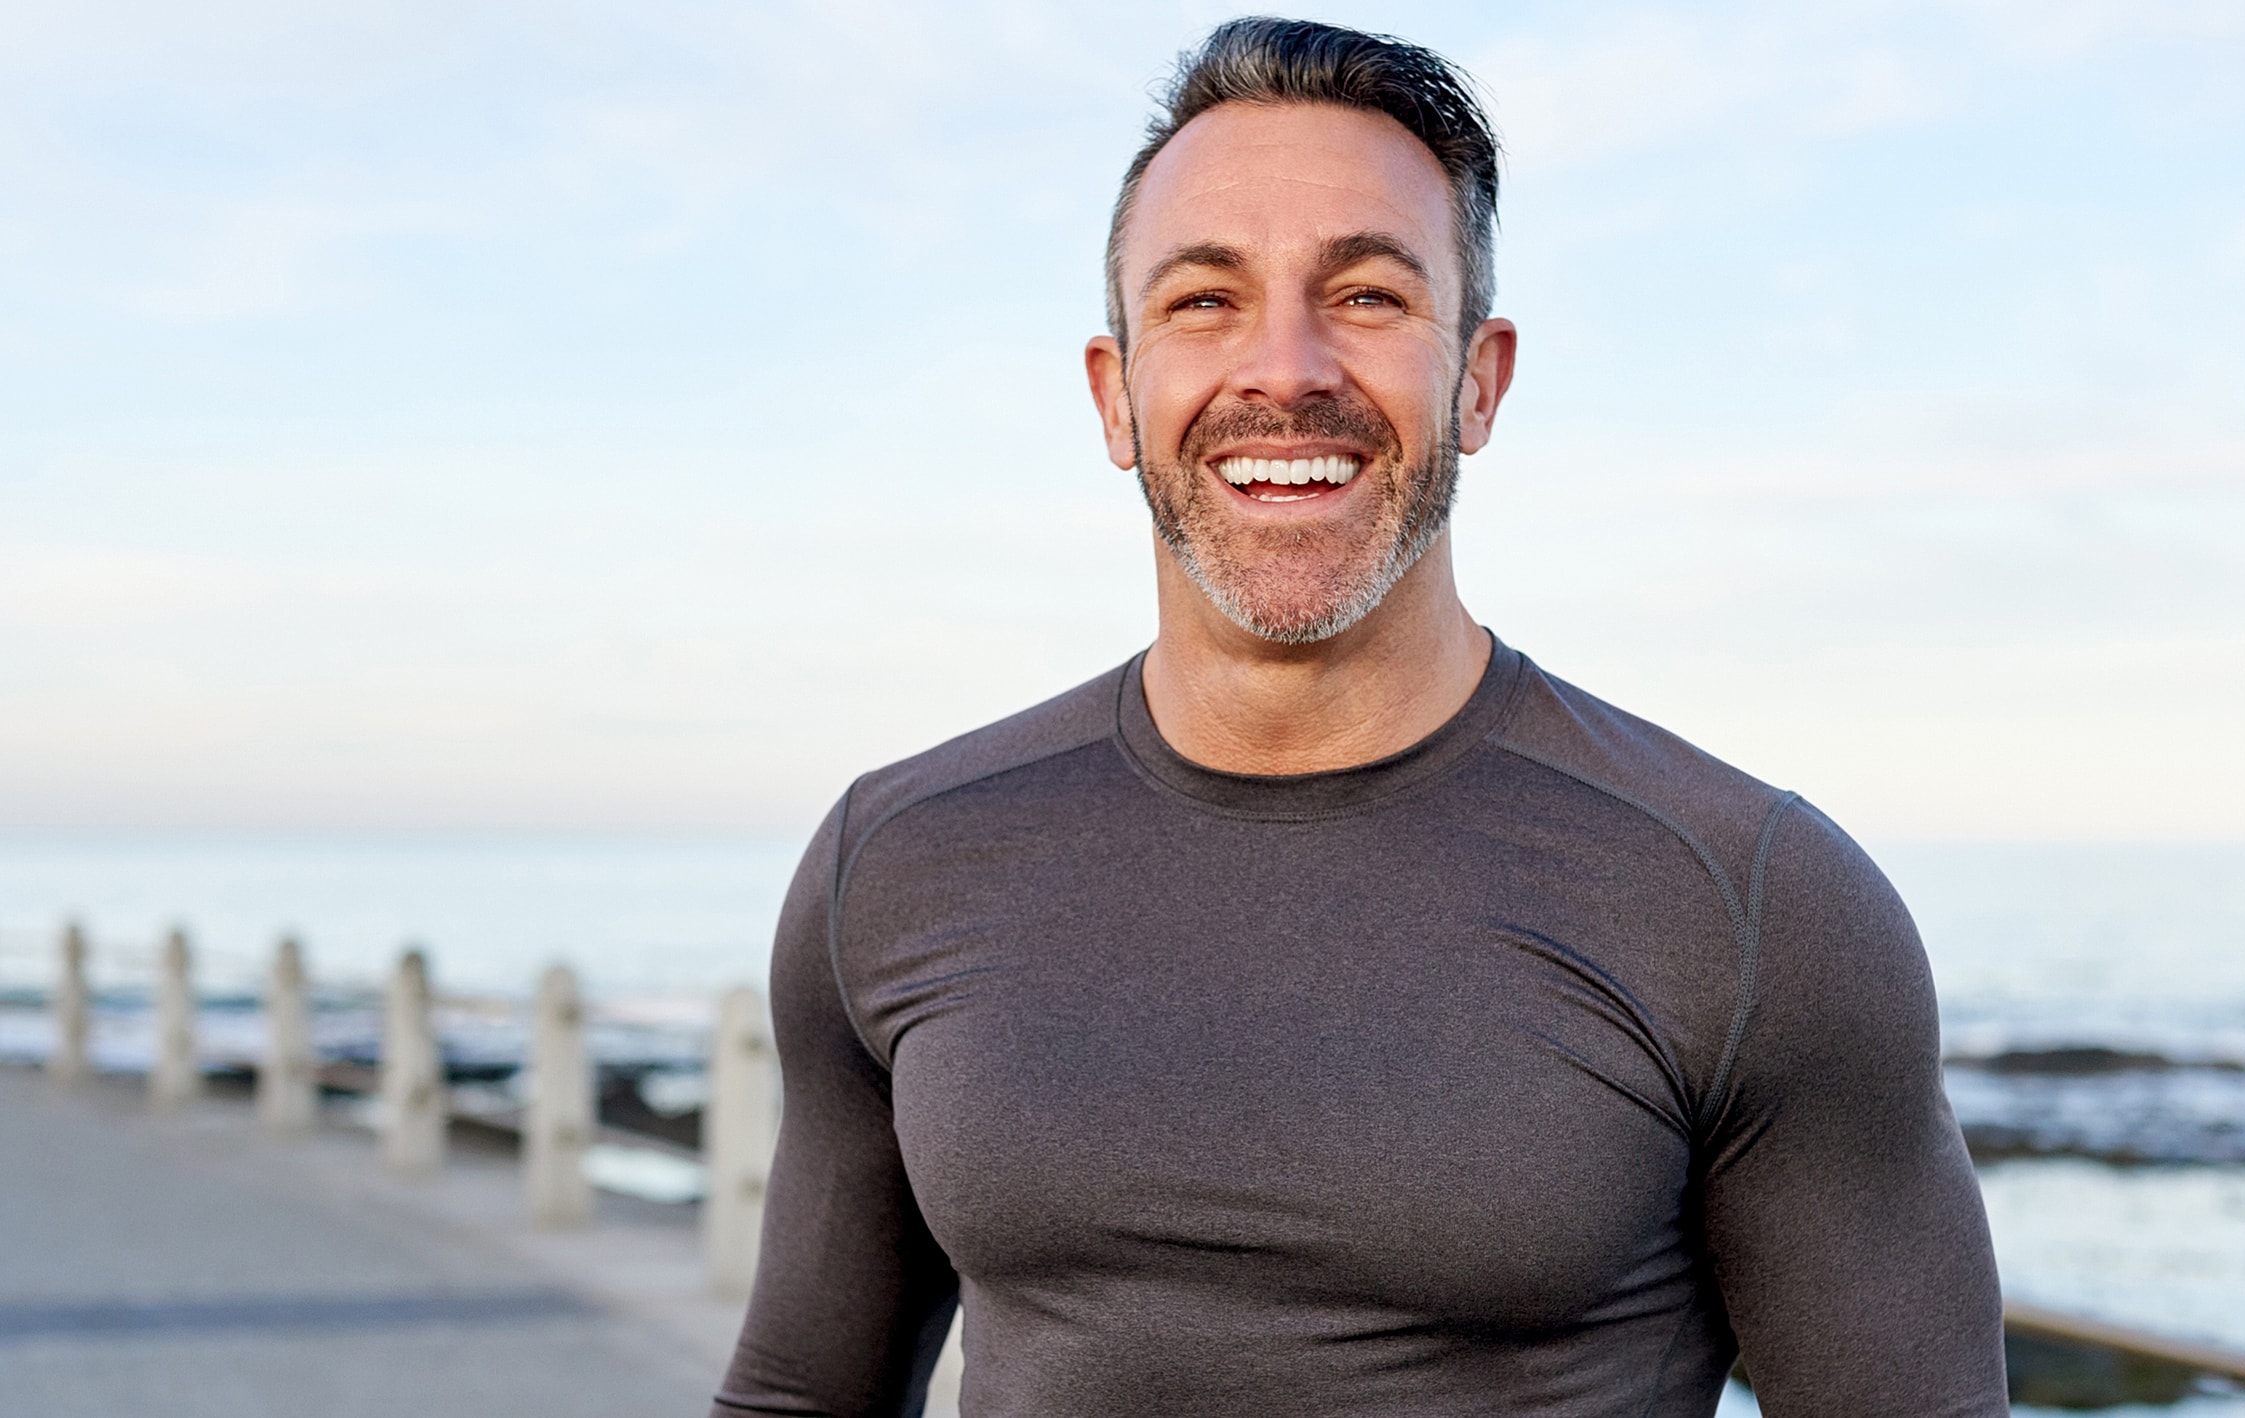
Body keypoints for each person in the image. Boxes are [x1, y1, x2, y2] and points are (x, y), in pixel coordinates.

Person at [711, 17, 2005, 1418]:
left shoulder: (1753, 903)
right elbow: (795, 1398)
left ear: (1478, 380)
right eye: (1205, 300)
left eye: (1370, 295)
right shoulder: (897, 858)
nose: (1285, 369)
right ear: (1115, 394)